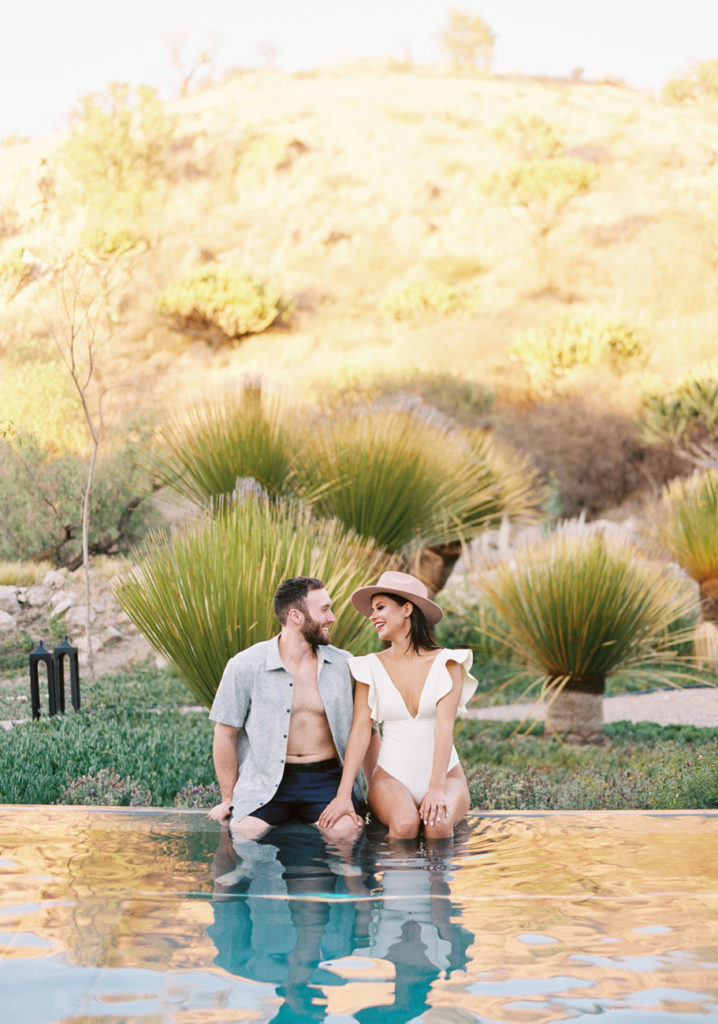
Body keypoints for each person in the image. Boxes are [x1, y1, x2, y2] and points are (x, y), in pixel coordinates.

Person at [208, 576, 378, 841]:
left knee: (346, 832)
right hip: (266, 781)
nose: (332, 617)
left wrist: (372, 794)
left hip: (327, 780)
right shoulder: (245, 665)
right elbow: (225, 732)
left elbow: (368, 730)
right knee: (243, 831)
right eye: (324, 610)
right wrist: (228, 798)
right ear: (296, 616)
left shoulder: (346, 665)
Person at [318, 570, 477, 840]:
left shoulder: (448, 663)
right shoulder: (369, 667)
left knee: (438, 824)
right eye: (372, 610)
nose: (372, 616)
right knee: (404, 824)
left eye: (380, 607)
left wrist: (436, 788)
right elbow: (360, 730)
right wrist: (343, 795)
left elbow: (444, 727)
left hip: (446, 777)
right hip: (391, 778)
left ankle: (439, 881)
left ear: (407, 609)